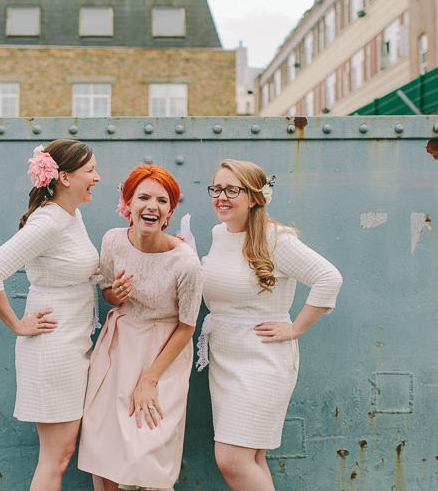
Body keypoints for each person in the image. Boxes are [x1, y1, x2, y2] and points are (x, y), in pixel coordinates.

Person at [198, 159, 343, 491]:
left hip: (262, 363)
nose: (221, 196)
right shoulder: (220, 234)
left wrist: (296, 328)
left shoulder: (275, 238)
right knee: (251, 458)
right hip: (225, 361)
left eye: (232, 190)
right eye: (216, 188)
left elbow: (328, 278)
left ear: (254, 197)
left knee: (232, 460)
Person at [0, 139, 101, 491]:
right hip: (53, 351)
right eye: (90, 170)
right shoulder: (48, 222)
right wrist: (17, 324)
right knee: (56, 458)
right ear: (64, 177)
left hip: (73, 345)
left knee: (63, 453)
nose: (98, 177)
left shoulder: (71, 216)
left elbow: (72, 271)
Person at [78, 165, 203, 491]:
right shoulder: (113, 241)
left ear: (169, 212)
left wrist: (149, 379)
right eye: (143, 197)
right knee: (106, 450)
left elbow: (187, 327)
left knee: (148, 455)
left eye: (162, 200)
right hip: (117, 348)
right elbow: (106, 292)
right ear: (128, 203)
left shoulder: (186, 262)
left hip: (164, 355)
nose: (151, 206)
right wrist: (113, 295)